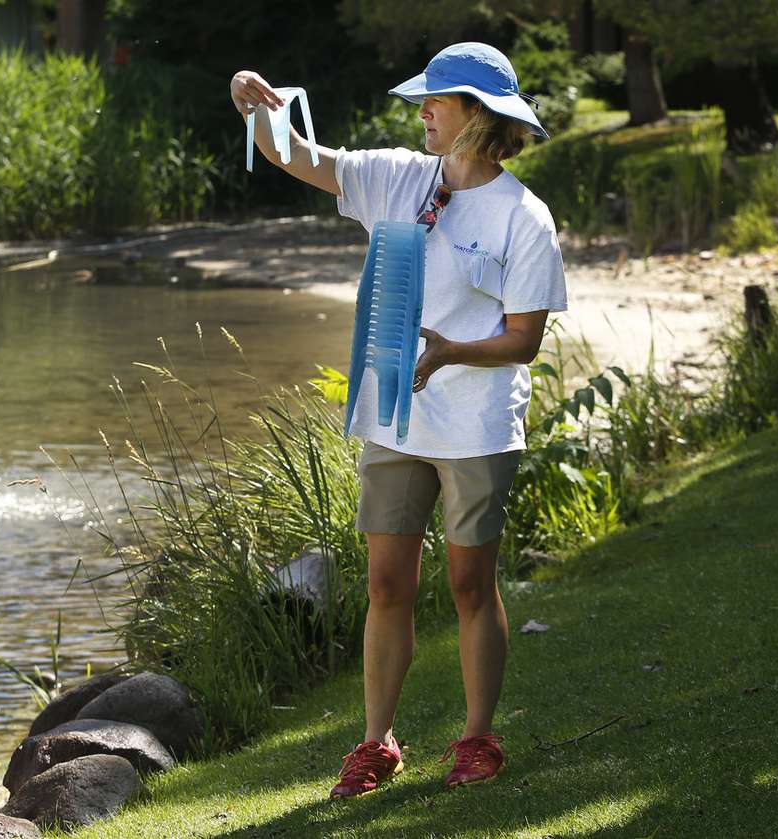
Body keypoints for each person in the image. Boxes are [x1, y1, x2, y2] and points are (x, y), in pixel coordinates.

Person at [229, 42, 567, 799]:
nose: (422, 111)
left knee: (469, 583)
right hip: (394, 413)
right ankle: (376, 742)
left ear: (476, 117)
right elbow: (301, 158)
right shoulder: (396, 177)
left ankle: (479, 738)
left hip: (477, 422)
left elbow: (525, 338)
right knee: (386, 583)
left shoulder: (524, 217)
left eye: (436, 102)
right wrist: (254, 109)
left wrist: (449, 354)